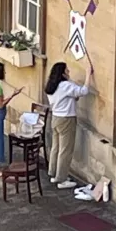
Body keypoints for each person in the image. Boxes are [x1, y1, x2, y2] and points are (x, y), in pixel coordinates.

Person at [44, 61, 93, 189]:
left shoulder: (51, 86)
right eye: (67, 70)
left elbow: (67, 98)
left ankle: (53, 173)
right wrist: (88, 75)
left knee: (56, 147)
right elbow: (83, 91)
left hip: (55, 118)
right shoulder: (65, 85)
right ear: (63, 73)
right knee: (66, 150)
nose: (69, 72)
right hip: (66, 119)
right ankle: (62, 178)